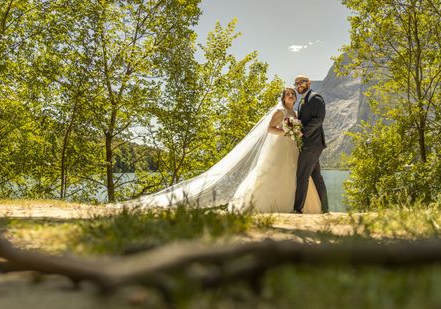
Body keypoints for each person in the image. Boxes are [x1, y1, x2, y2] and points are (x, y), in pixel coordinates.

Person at [122, 86, 325, 213]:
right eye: (288, 95)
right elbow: (270, 129)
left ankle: (293, 206)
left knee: (293, 175)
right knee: (273, 174)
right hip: (279, 146)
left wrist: (295, 134)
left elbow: (297, 127)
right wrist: (287, 134)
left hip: (291, 149)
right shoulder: (280, 111)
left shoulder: (294, 112)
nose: (291, 97)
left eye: (292, 95)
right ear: (283, 98)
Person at [292, 75, 329, 214]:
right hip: (310, 144)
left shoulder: (315, 98)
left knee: (302, 175)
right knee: (316, 177)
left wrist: (303, 132)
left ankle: (297, 209)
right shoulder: (303, 100)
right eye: (296, 83)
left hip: (312, 144)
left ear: (309, 83)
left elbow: (319, 119)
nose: (298, 85)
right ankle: (325, 209)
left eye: (301, 82)